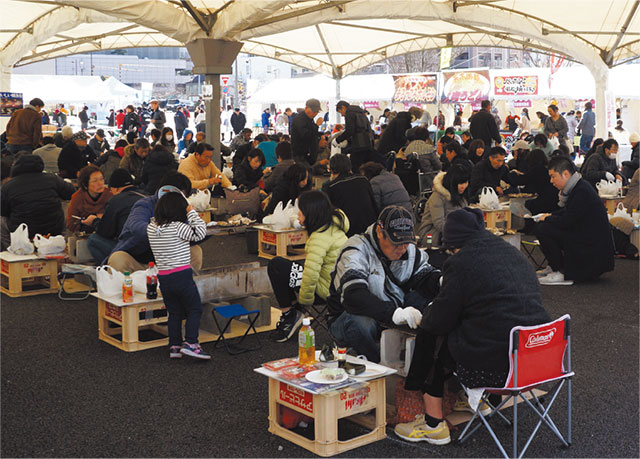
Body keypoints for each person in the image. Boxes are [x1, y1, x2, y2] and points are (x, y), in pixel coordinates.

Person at [394, 207, 550, 446]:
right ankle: (483, 402)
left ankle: (433, 424)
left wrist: (424, 313)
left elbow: (439, 320)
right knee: (482, 326)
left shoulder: (461, 262)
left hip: (499, 368)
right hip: (539, 357)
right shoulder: (511, 252)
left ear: (455, 245)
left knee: (431, 334)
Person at [327, 205, 442, 362]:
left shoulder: (409, 250)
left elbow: (425, 276)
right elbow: (353, 296)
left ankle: (424, 365)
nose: (402, 248)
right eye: (396, 243)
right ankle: (376, 365)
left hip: (390, 308)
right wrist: (394, 314)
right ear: (381, 233)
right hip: (348, 315)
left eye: (406, 242)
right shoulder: (356, 249)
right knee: (361, 323)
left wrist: (442, 281)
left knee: (432, 305)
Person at [267, 190, 349, 342]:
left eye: (301, 212)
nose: (298, 216)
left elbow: (311, 275)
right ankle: (292, 312)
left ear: (311, 214)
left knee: (277, 265)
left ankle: (290, 314)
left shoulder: (319, 238)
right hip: (341, 287)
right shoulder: (334, 227)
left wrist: (304, 303)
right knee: (290, 266)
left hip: (327, 292)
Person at [147, 190, 209, 360]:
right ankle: (191, 344)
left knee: (174, 312)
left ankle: (175, 345)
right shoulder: (179, 227)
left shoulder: (152, 228)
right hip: (182, 275)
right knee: (194, 308)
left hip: (164, 278)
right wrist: (192, 212)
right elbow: (200, 232)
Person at [534, 156, 614, 285]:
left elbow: (567, 221)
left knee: (543, 229)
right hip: (587, 236)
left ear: (565, 174)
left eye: (553, 176)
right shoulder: (579, 186)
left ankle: (561, 272)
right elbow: (569, 213)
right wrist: (548, 216)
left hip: (590, 243)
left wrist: (548, 217)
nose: (551, 181)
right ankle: (556, 267)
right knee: (545, 225)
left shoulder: (581, 191)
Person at [107, 171, 202, 273]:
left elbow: (191, 232)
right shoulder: (144, 205)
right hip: (139, 261)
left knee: (195, 251)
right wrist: (160, 231)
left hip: (170, 264)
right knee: (117, 259)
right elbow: (135, 225)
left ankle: (182, 285)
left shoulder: (183, 208)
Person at [1, 154, 75, 244]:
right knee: (66, 206)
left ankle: (10, 247)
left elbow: (3, 211)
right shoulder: (52, 178)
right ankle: (64, 242)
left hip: (23, 231)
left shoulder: (8, 186)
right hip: (54, 228)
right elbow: (71, 193)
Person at [87, 169, 145, 263]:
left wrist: (94, 221)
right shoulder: (146, 196)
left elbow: (105, 232)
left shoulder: (116, 200)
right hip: (150, 252)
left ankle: (110, 271)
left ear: (116, 189)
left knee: (93, 240)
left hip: (130, 253)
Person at [322, 154, 377, 237]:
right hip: (370, 230)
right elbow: (374, 205)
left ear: (332, 170)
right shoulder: (363, 180)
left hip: (347, 233)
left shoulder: (330, 187)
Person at [416, 164, 469, 246]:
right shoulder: (437, 197)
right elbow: (439, 223)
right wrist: (460, 231)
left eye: (465, 182)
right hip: (430, 236)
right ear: (452, 183)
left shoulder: (460, 196)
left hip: (451, 233)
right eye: (460, 183)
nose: (463, 186)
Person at [508, 149, 559, 216]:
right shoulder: (546, 168)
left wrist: (512, 173)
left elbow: (520, 181)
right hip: (555, 199)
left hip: (546, 201)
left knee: (527, 205)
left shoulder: (537, 169)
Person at [66, 164, 113, 233]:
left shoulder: (110, 195)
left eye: (101, 179)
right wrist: (83, 222)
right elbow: (70, 223)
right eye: (95, 181)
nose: (100, 183)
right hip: (84, 234)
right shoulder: (78, 197)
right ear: (85, 185)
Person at [334, 100, 374, 173]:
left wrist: (338, 139)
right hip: (367, 143)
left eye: (340, 112)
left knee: (355, 166)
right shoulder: (360, 112)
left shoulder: (349, 112)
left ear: (343, 108)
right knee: (365, 167)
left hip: (358, 144)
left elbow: (350, 130)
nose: (342, 115)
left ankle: (357, 182)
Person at [291, 98, 323, 167]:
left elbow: (312, 133)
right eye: (313, 111)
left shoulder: (309, 119)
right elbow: (305, 135)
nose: (315, 114)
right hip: (301, 155)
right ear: (306, 108)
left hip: (308, 155)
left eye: (317, 112)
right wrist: (317, 125)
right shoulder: (299, 119)